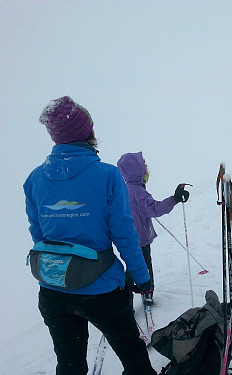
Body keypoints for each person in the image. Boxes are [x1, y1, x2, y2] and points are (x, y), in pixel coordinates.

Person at [23, 96, 157, 375]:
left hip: (52, 290)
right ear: (88, 132)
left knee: (70, 365)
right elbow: (124, 236)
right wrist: (142, 278)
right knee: (134, 359)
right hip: (102, 292)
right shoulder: (107, 175)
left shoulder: (35, 179)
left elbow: (38, 235)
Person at [117, 152, 190, 306]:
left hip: (129, 237)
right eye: (144, 168)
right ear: (137, 171)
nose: (147, 170)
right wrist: (175, 199)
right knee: (141, 268)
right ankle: (142, 295)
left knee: (134, 266)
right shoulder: (137, 191)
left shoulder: (124, 188)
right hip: (140, 239)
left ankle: (131, 297)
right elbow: (155, 209)